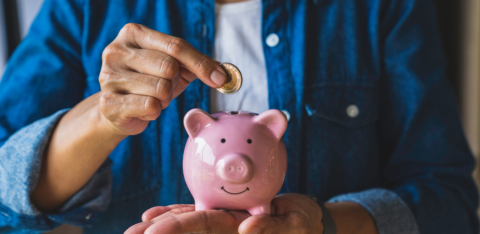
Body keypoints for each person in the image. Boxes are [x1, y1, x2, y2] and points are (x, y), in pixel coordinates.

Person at [0, 0, 478, 233]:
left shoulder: (380, 6)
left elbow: (447, 197)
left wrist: (323, 224)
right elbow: (5, 194)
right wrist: (103, 116)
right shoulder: (84, 6)